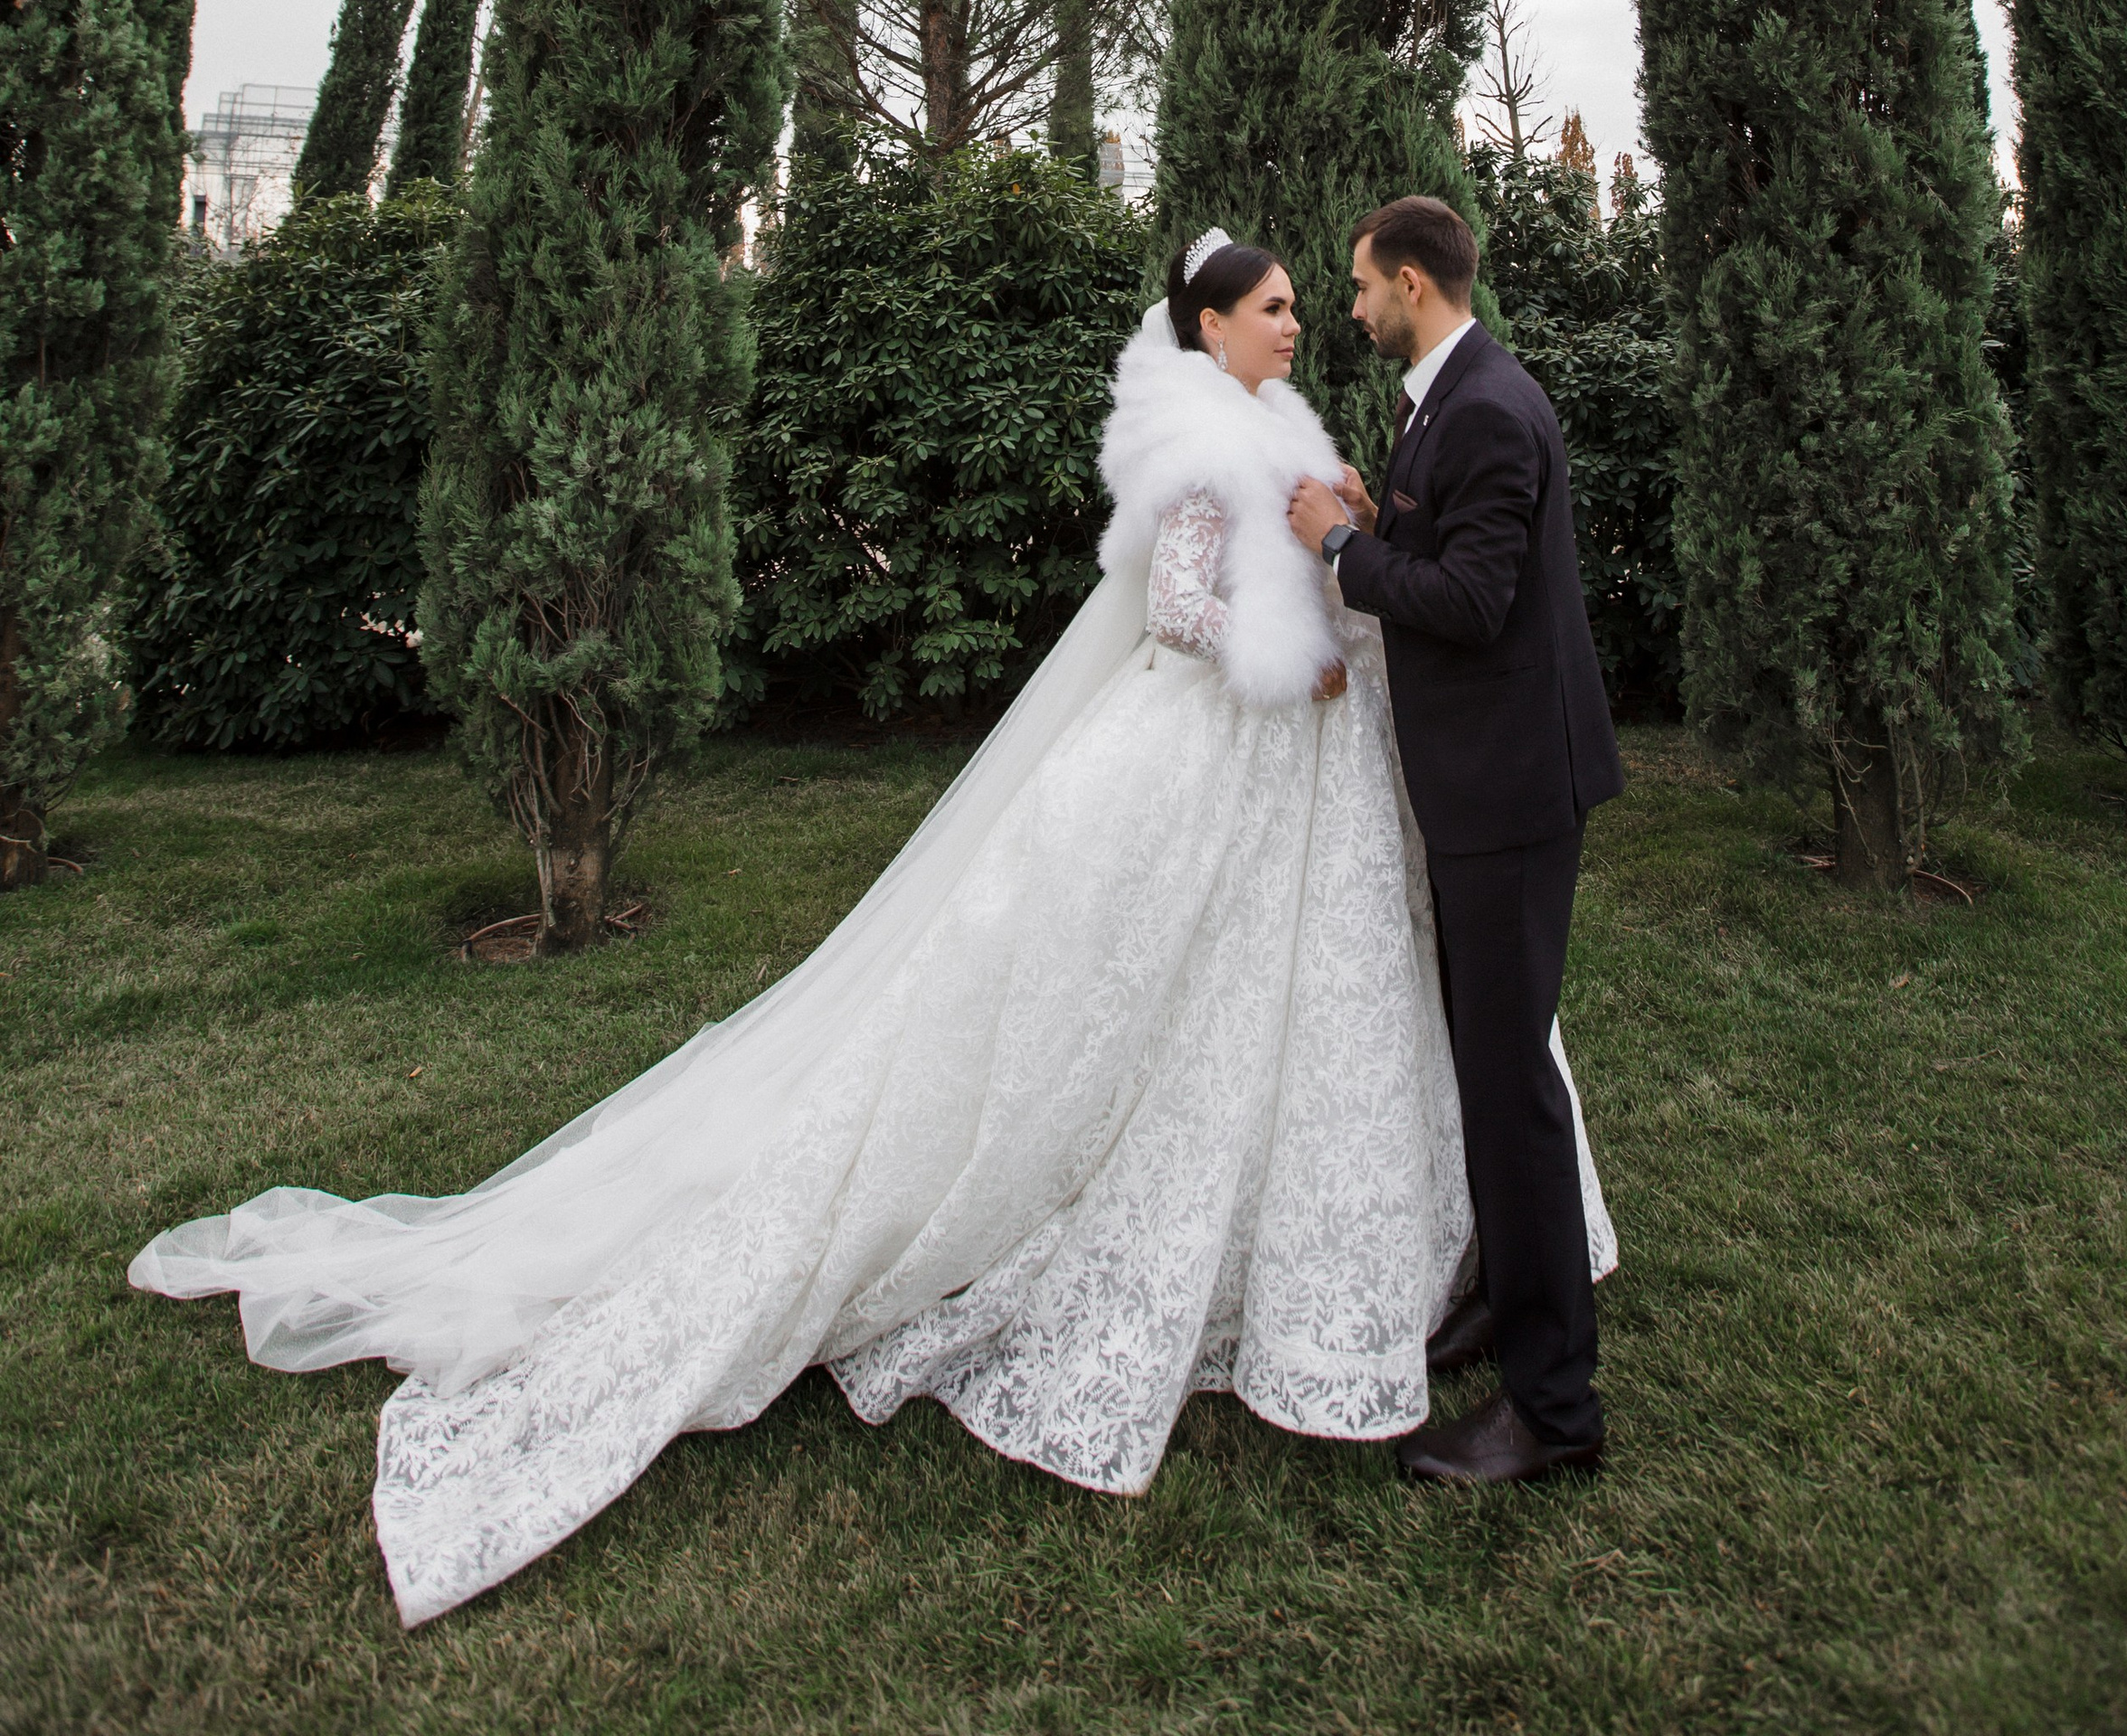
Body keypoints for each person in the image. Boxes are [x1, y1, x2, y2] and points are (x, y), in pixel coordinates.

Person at [130, 228, 1613, 1628]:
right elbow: (1180, 609)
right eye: (1280, 305)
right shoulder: (1196, 445)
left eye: (1318, 297)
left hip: (1321, 775)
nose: (1307, 320)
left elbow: (1371, 551)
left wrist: (1348, 529)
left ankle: (1421, 1276)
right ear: (1212, 327)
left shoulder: (1302, 429)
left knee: (1327, 1021)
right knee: (1153, 1008)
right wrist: (1304, 645)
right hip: (1225, 748)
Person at [1287, 193, 1625, 1486]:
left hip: (1513, 794)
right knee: (1490, 1066)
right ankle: (1505, 1295)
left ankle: (1554, 1408)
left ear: (1414, 284)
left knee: (1512, 1087)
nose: (1353, 306)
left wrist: (1338, 551)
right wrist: (1385, 527)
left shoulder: (1482, 404)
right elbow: (1460, 550)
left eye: (1364, 286)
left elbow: (1476, 604)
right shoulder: (1451, 393)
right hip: (1488, 786)